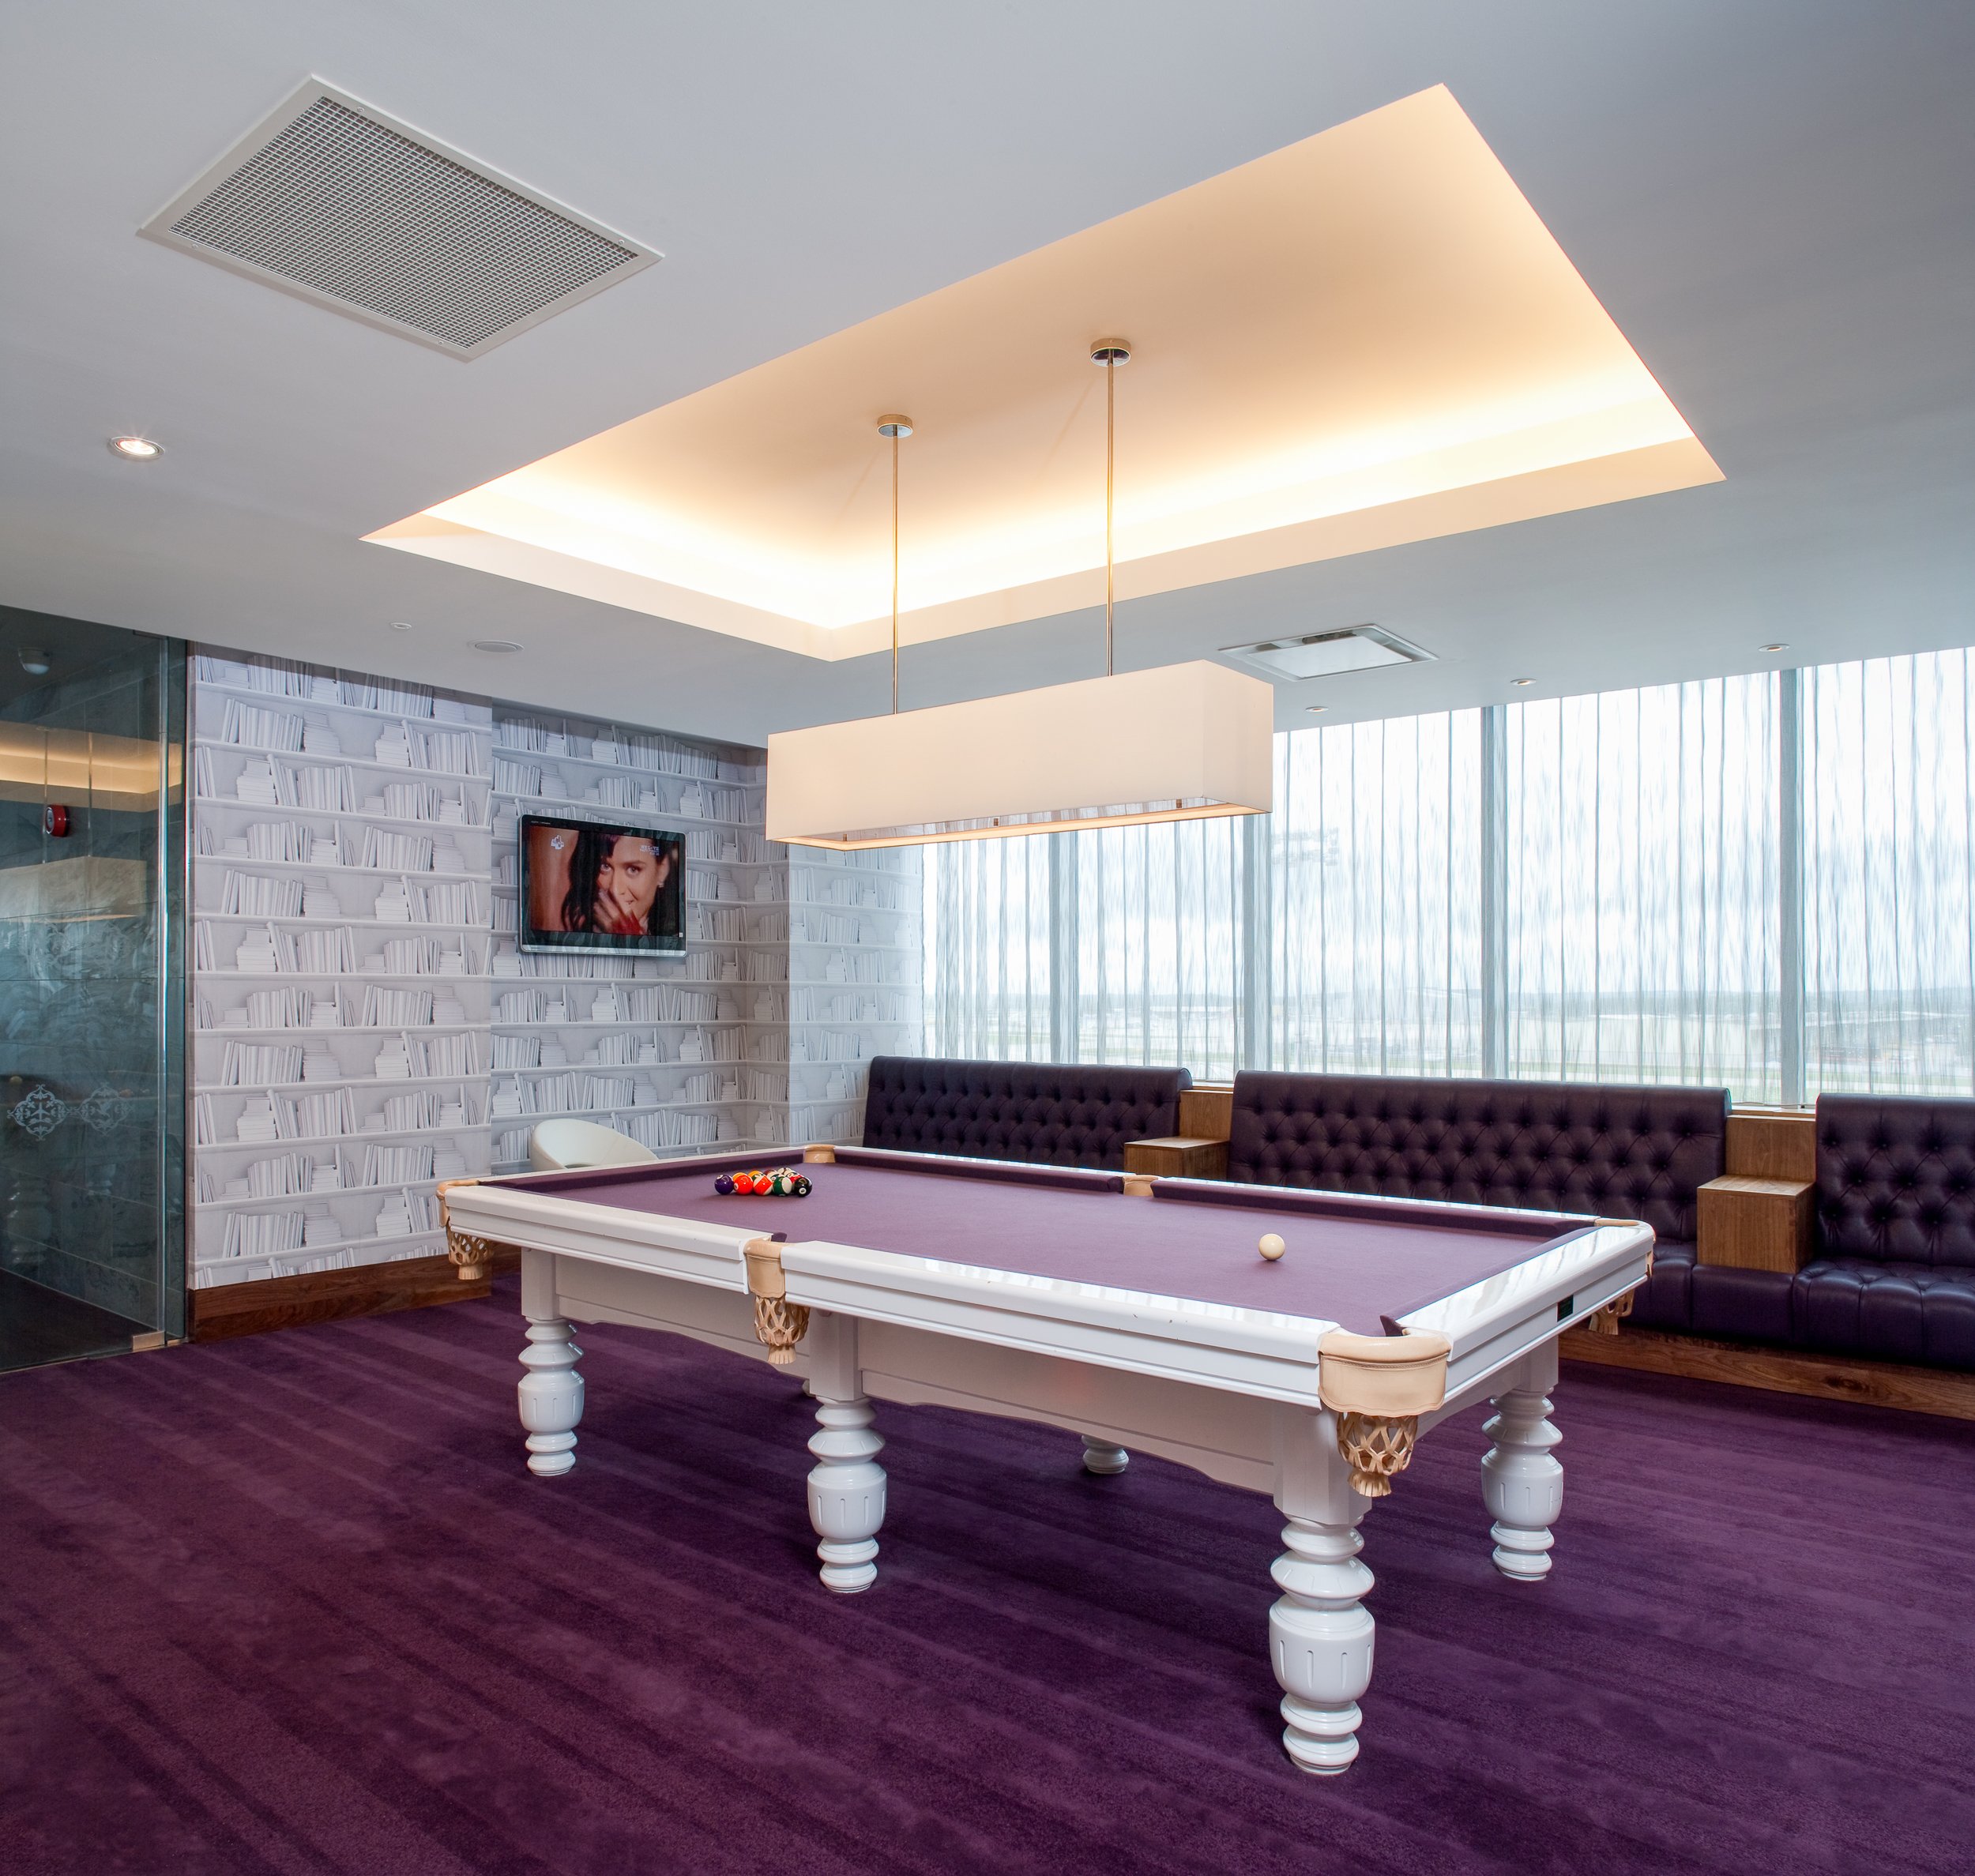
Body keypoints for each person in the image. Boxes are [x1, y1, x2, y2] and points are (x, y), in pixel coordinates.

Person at [555, 827, 675, 937]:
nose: (615, 890)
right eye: (605, 866)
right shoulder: (577, 937)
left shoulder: (672, 939)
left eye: (633, 869)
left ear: (662, 871)